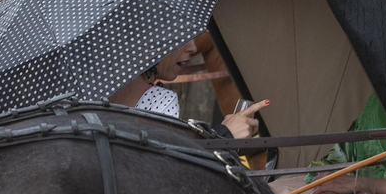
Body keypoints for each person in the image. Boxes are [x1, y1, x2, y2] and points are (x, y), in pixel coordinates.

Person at [108, 37, 267, 138]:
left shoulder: (95, 89)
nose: (192, 47)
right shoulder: (160, 100)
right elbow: (165, 169)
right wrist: (225, 136)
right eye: (181, 37)